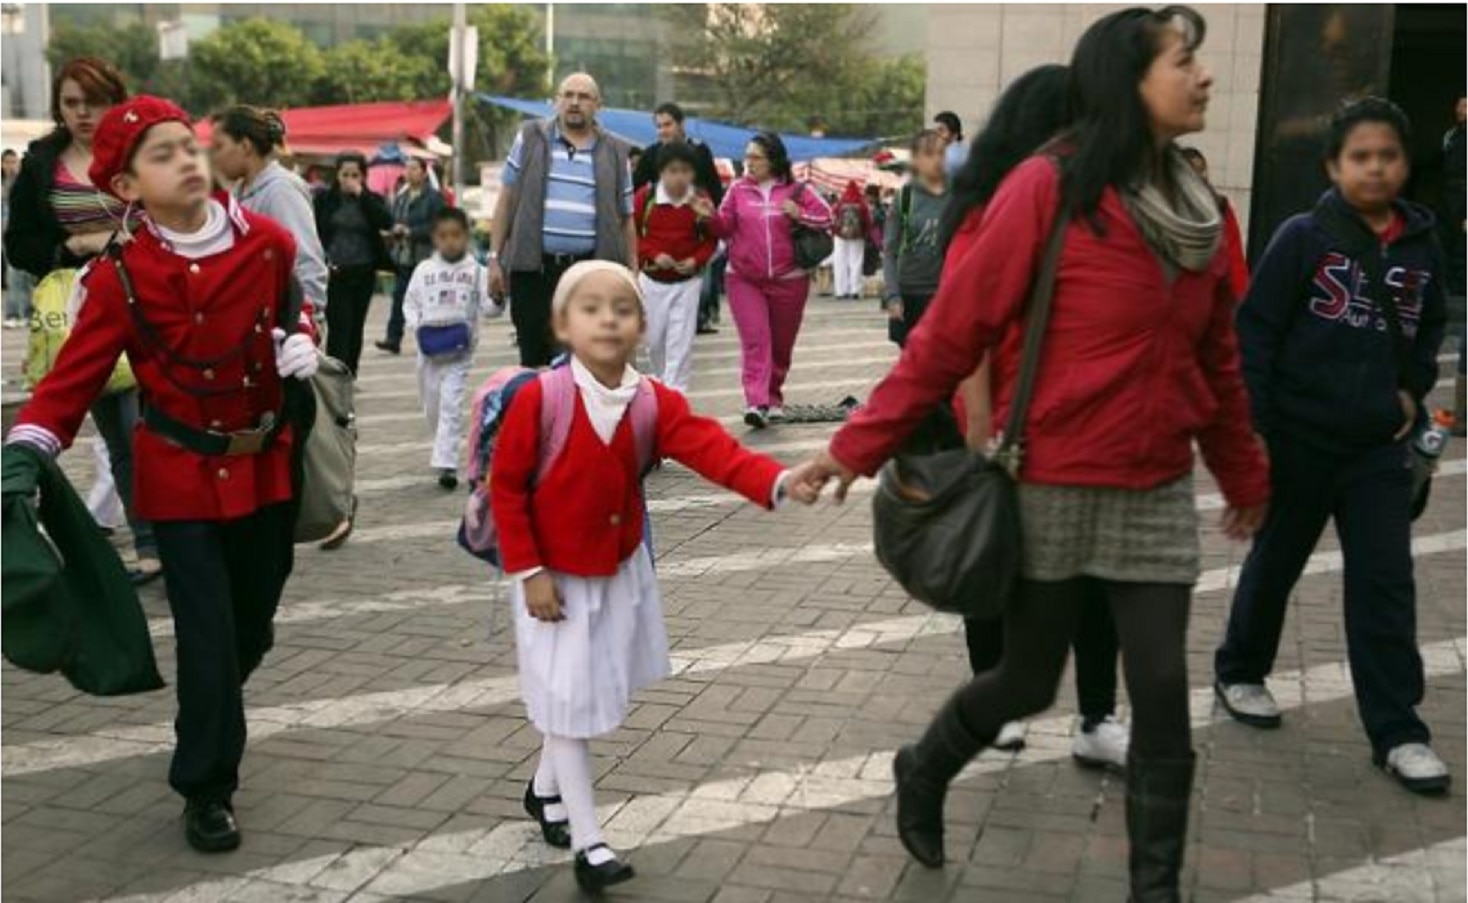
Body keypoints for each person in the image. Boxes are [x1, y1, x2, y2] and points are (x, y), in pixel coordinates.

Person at [795, 9, 1271, 899]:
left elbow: (1219, 358)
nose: (1203, 77)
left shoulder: (1200, 205)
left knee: (1164, 691)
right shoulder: (1047, 189)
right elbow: (950, 333)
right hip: (1050, 477)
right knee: (1024, 678)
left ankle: (1154, 887)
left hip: (1156, 488)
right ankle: (926, 767)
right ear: (1126, 80)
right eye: (1183, 61)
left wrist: (1244, 471)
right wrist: (852, 449)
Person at [5, 95, 319, 855]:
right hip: (177, 475)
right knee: (207, 635)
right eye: (163, 154)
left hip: (268, 469)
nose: (187, 160)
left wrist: (304, 342)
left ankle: (210, 708)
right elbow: (71, 381)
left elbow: (294, 309)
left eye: (189, 144)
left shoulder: (268, 242)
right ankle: (206, 784)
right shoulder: (119, 277)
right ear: (127, 188)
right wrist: (24, 449)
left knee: (250, 625)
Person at [491, 261, 819, 892]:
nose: (607, 318)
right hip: (550, 577)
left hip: (616, 569)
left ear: (643, 324)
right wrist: (529, 571)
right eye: (590, 308)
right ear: (562, 324)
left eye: (622, 307)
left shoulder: (651, 401)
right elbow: (506, 489)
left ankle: (543, 789)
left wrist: (776, 480)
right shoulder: (541, 398)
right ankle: (589, 843)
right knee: (568, 699)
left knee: (579, 688)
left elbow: (713, 451)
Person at [1214, 97, 1451, 796]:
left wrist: (1411, 389)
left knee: (1384, 582)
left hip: (1377, 448)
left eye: (1388, 156)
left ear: (1405, 165)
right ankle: (1241, 671)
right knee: (1277, 560)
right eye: (1360, 157)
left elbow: (1429, 327)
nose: (1375, 169)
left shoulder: (1422, 246)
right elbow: (1254, 333)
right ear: (1333, 165)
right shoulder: (1301, 237)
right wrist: (1254, 427)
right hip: (1299, 439)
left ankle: (1399, 731)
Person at [934, 63, 1132, 769]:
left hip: (1082, 423)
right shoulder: (992, 206)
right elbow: (967, 327)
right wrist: (983, 426)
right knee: (997, 567)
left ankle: (1097, 714)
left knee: (1095, 576)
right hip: (1007, 425)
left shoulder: (1099, 201)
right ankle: (999, 703)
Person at [2, 56, 160, 585]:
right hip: (84, 314)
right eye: (71, 102)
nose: (83, 112)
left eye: (94, 100)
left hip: (159, 307)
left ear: (117, 99)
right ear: (58, 107)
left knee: (164, 431)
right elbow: (18, 244)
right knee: (124, 436)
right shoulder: (42, 162)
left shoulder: (145, 149)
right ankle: (151, 548)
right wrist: (73, 244)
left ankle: (185, 539)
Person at [489, 73, 638, 367]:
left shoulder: (616, 152)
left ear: (598, 106)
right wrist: (495, 258)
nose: (574, 102)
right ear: (557, 101)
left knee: (584, 363)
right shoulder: (530, 137)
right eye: (568, 95)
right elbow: (506, 200)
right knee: (533, 361)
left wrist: (633, 272)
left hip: (588, 275)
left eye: (583, 97)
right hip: (534, 271)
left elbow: (626, 218)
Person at [699, 132, 832, 429]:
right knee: (757, 341)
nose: (749, 163)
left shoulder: (798, 190)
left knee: (781, 346)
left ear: (773, 160)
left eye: (755, 157)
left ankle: (773, 398)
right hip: (744, 280)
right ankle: (756, 402)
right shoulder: (737, 190)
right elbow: (724, 228)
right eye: (747, 157)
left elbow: (828, 218)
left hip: (790, 280)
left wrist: (801, 215)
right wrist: (708, 218)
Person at [210, 106, 329, 323]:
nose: (215, 156)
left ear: (245, 146)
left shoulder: (280, 190)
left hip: (288, 327)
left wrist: (306, 323)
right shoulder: (239, 193)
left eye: (219, 146)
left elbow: (307, 262)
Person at [405, 206, 496, 490]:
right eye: (443, 235)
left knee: (450, 405)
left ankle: (447, 465)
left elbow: (489, 309)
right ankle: (442, 446)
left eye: (456, 235)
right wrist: (416, 327)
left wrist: (499, 295)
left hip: (460, 351)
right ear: (435, 238)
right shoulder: (424, 270)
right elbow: (409, 303)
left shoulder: (477, 272)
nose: (450, 241)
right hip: (428, 351)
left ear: (466, 236)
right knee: (432, 406)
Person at [634, 142, 718, 393]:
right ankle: (664, 388)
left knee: (680, 345)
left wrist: (696, 260)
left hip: (687, 283)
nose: (679, 177)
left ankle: (675, 396)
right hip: (651, 281)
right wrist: (653, 254)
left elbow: (711, 239)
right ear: (661, 172)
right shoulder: (645, 198)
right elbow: (632, 235)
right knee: (654, 341)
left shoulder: (700, 200)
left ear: (693, 173)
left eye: (685, 170)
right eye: (672, 170)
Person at [314, 151, 393, 376]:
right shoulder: (324, 200)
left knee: (356, 326)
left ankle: (351, 372)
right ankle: (336, 374)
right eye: (345, 174)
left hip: (364, 270)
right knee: (340, 326)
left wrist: (361, 194)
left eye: (355, 174)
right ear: (337, 175)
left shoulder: (371, 200)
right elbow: (315, 231)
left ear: (363, 176)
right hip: (336, 272)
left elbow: (386, 221)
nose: (349, 179)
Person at [883, 131, 950, 346]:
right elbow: (890, 252)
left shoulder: (957, 197)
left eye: (941, 153)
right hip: (910, 293)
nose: (937, 159)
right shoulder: (905, 198)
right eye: (930, 154)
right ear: (915, 159)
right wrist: (893, 296)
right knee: (913, 363)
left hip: (946, 293)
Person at [377, 157, 445, 355]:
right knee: (400, 297)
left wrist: (411, 232)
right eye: (407, 168)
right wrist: (393, 230)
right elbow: (393, 219)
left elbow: (438, 226)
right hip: (404, 256)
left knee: (427, 301)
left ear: (424, 173)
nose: (409, 172)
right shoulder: (401, 196)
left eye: (414, 168)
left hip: (425, 257)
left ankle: (431, 340)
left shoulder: (434, 197)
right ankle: (393, 338)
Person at [1179, 147, 1249, 298]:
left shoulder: (1220, 206)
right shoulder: (1166, 209)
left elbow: (1234, 258)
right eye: (1192, 171)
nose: (1199, 176)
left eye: (1202, 170)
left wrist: (1241, 301)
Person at [632, 102, 725, 206]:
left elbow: (714, 187)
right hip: (661, 214)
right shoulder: (651, 153)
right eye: (659, 126)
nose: (663, 131)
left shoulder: (700, 150)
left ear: (681, 124)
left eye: (667, 125)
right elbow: (635, 188)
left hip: (695, 214)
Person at [832, 180, 873, 300]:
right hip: (857, 236)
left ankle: (841, 291)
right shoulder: (861, 203)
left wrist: (835, 232)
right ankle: (855, 290)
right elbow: (868, 221)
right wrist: (865, 233)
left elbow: (833, 218)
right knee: (856, 262)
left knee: (840, 262)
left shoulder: (840, 203)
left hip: (840, 236)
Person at [933, 111, 967, 178]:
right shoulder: (966, 150)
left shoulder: (950, 156)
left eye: (941, 130)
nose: (936, 134)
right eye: (934, 131)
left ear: (954, 135)